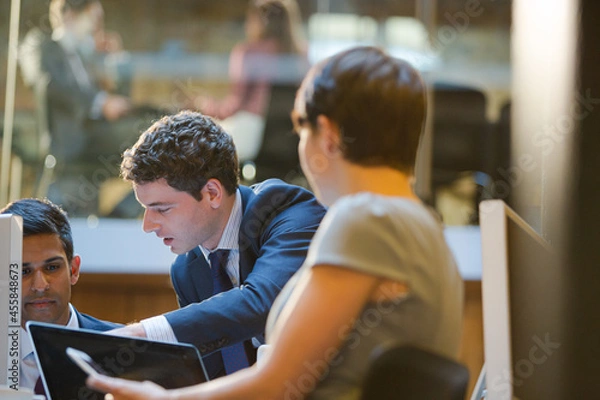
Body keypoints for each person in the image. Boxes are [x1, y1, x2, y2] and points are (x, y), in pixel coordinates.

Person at [86, 46, 465, 399]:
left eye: (302, 130)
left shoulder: (362, 220)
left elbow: (277, 383)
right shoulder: (424, 225)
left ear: (328, 137)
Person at [106, 110, 326, 380]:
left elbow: (261, 304)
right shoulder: (187, 271)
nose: (148, 225)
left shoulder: (289, 214)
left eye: (161, 209)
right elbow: (213, 376)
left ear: (212, 193)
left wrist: (142, 333)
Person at [18, 0, 155, 217]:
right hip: (72, 144)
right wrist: (100, 102)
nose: (96, 27)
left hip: (97, 141)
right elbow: (49, 83)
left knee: (156, 146)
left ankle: (118, 217)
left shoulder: (87, 58)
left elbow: (119, 100)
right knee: (151, 142)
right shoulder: (42, 45)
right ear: (69, 15)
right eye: (93, 19)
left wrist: (116, 60)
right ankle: (117, 218)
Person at [0, 198, 121, 393]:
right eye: (23, 271)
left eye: (52, 267)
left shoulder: (122, 348)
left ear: (73, 270)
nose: (40, 286)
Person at [191, 0, 308, 162]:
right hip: (291, 143)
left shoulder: (248, 52)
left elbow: (235, 106)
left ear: (259, 21)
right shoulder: (300, 55)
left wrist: (204, 106)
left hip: (250, 137)